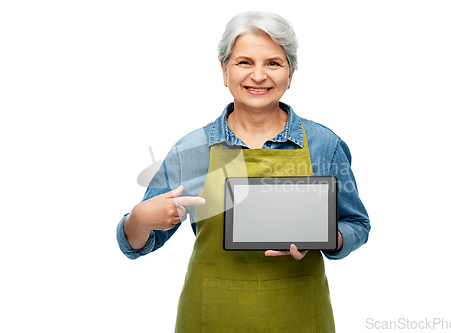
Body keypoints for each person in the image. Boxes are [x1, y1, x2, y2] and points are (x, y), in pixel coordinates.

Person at [117, 11, 370, 333]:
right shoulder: (192, 149)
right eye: (244, 62)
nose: (259, 75)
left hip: (299, 313)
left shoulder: (324, 145)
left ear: (290, 74)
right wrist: (138, 220)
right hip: (213, 314)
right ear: (224, 70)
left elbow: (356, 224)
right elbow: (139, 243)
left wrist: (327, 238)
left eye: (273, 63)